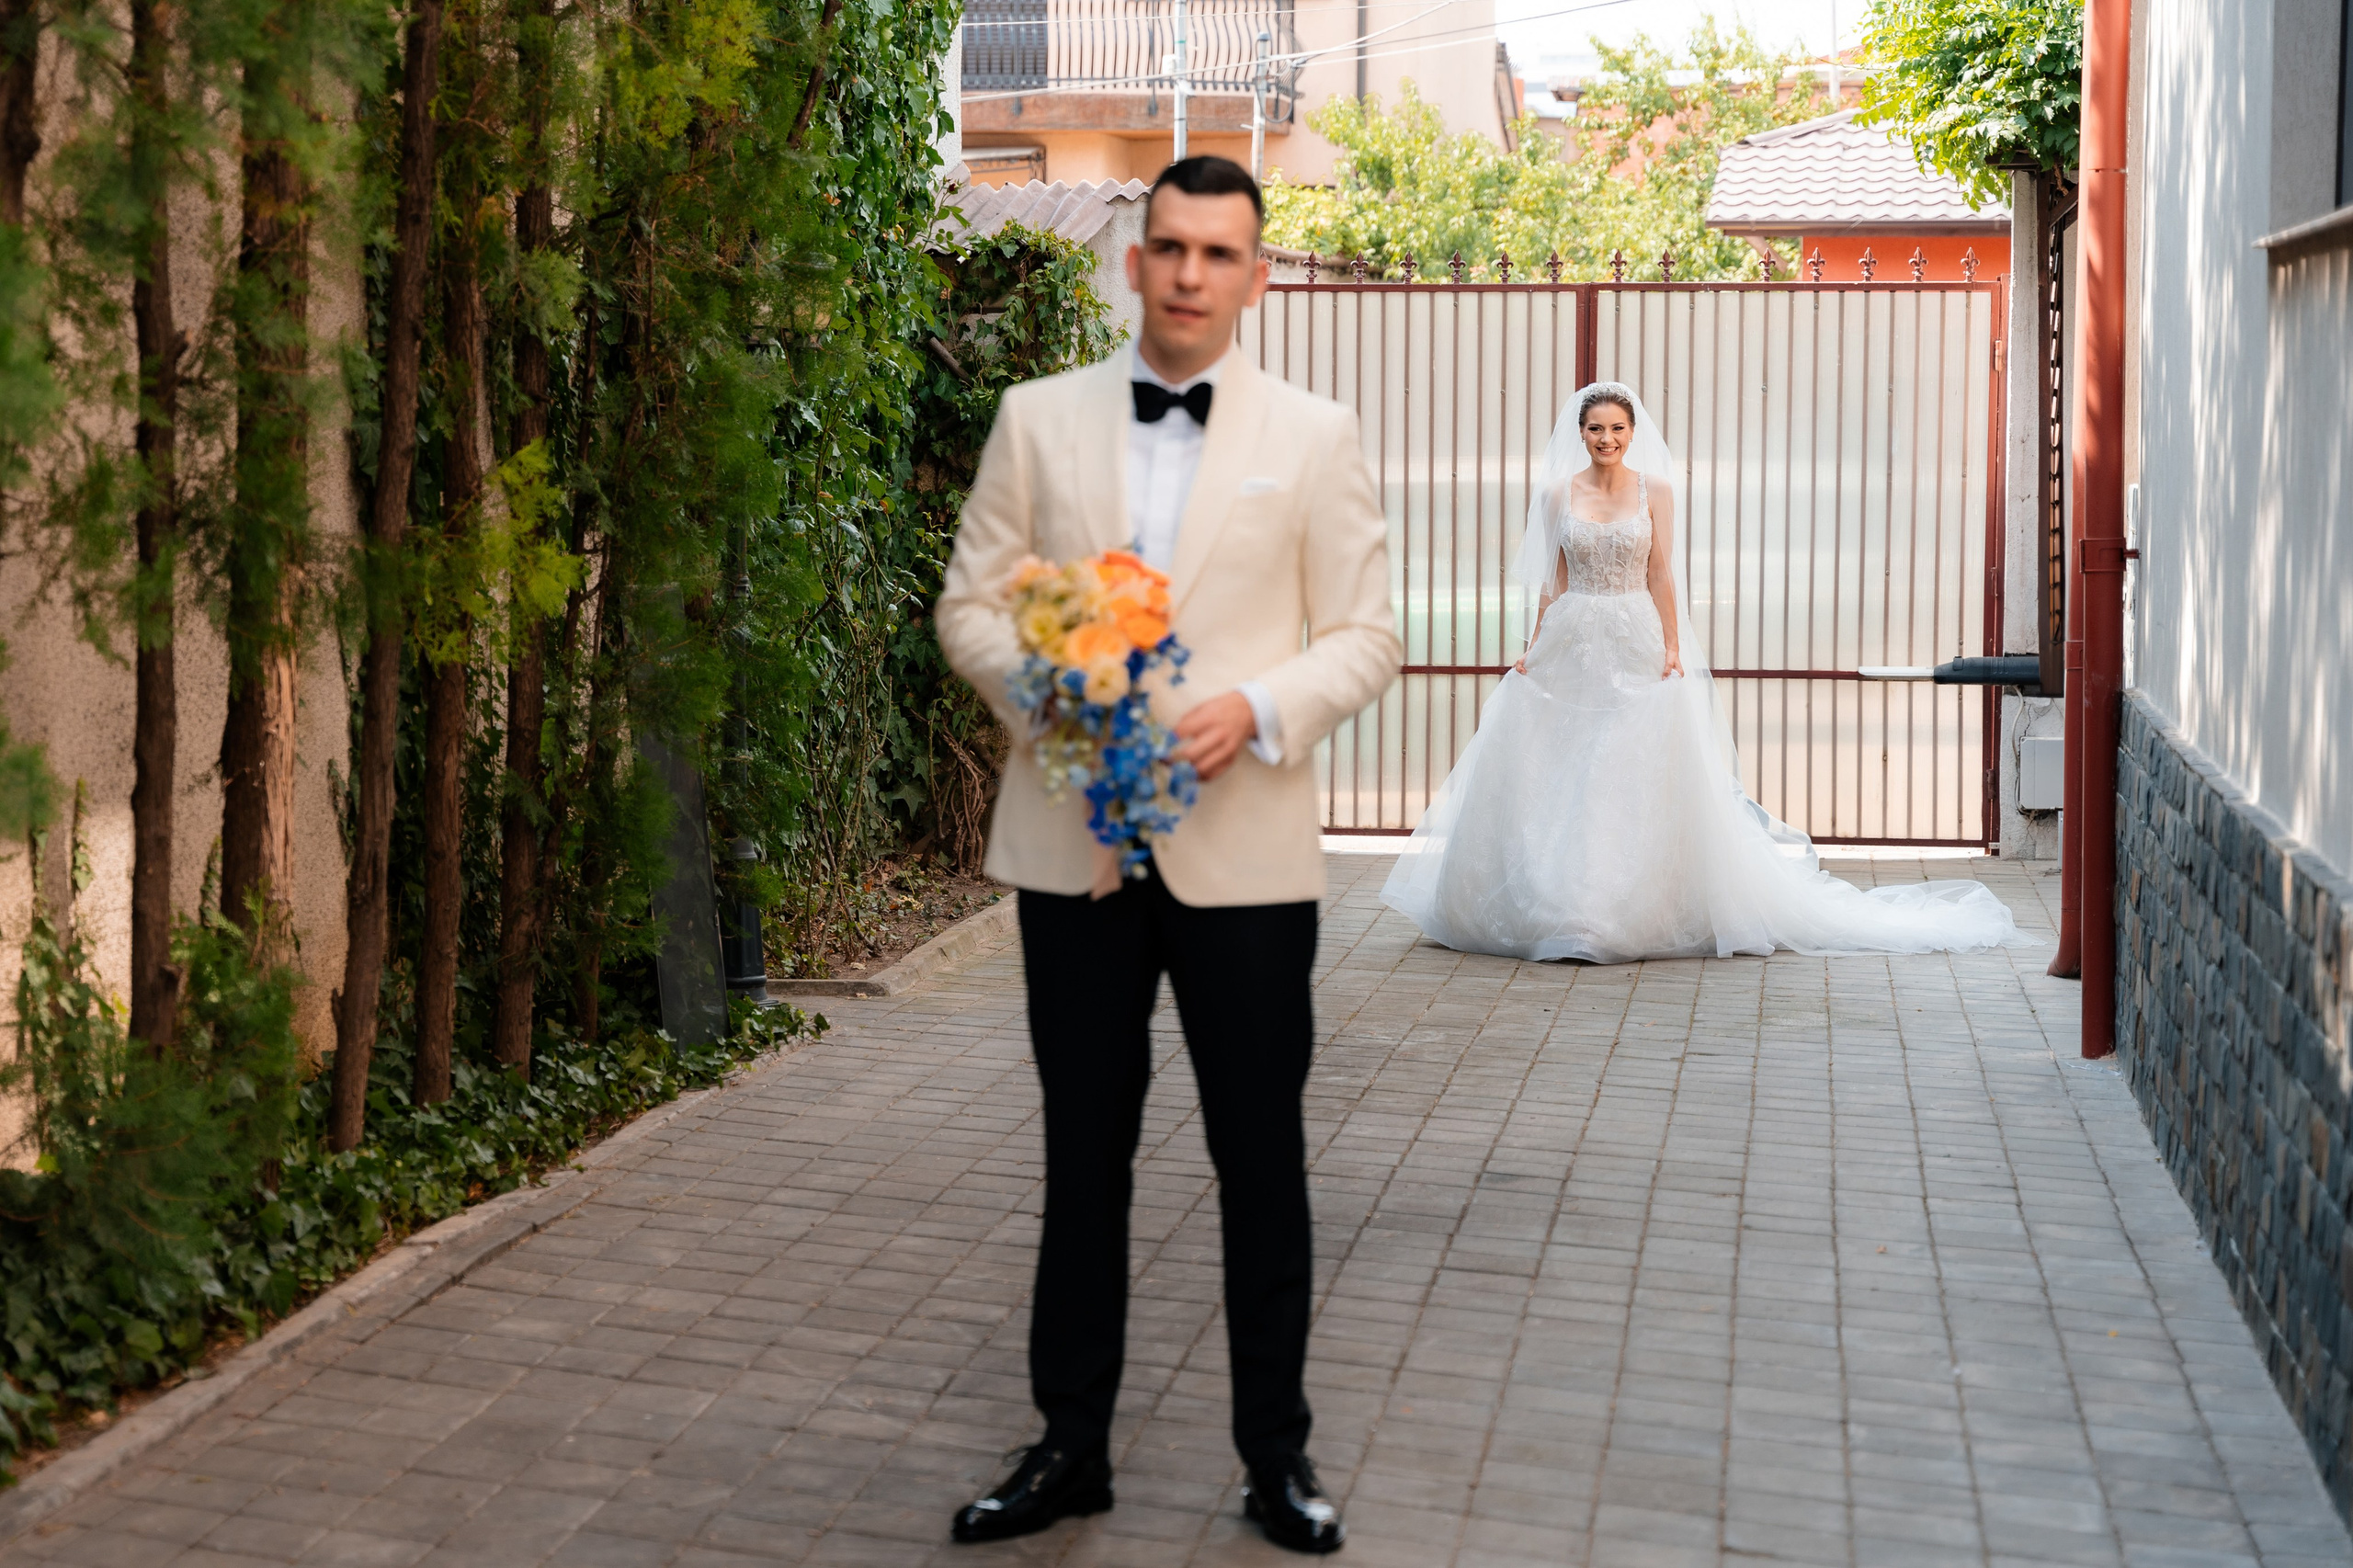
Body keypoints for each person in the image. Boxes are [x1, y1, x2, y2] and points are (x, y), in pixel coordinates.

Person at [933, 155, 1401, 1554]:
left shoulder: (1317, 435)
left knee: (1262, 1160)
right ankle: (1070, 1445)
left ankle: (1278, 1458)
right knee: (1087, 1156)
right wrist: (1053, 692)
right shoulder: (1034, 419)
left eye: (1220, 253)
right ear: (1132, 262)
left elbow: (1367, 638)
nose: (1192, 273)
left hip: (1244, 859)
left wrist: (1257, 708)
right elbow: (969, 607)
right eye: (1171, 248)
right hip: (1073, 845)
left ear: (1258, 276)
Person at [1381, 381, 2026, 962]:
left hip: (1635, 632)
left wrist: (1671, 646)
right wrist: (1533, 643)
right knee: (1562, 762)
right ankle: (1556, 904)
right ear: (1579, 433)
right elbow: (1554, 578)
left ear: (1632, 433)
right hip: (1574, 634)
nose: (1606, 439)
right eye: (1595, 429)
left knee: (1625, 766)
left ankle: (1614, 910)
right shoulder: (1557, 493)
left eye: (1617, 429)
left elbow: (1661, 571)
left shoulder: (1655, 490)